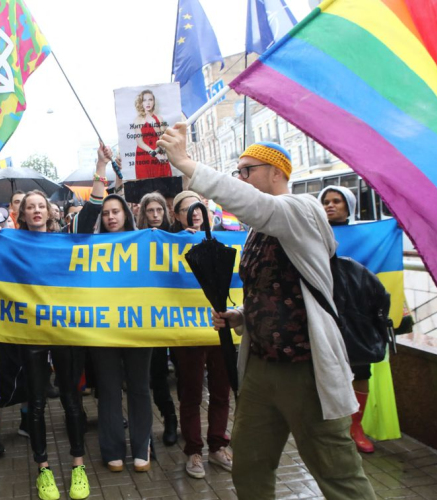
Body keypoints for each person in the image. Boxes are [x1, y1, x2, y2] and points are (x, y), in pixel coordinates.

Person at [159, 130, 376, 499]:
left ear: (277, 172)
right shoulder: (257, 230)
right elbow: (271, 288)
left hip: (307, 371)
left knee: (338, 474)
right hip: (260, 368)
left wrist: (186, 163)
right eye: (238, 171)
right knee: (250, 466)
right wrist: (241, 315)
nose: (241, 178)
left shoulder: (302, 210)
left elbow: (257, 206)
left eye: (247, 170)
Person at [75, 145, 153, 473]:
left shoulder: (145, 242)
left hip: (138, 327)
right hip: (103, 328)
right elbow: (88, 215)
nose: (110, 216)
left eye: (115, 211)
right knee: (108, 390)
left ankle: (142, 447)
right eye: (106, 213)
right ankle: (112, 450)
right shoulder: (89, 243)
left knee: (139, 388)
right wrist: (100, 165)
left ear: (125, 215)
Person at [16, 190, 89, 500]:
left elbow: (91, 213)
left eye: (40, 206)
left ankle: (78, 466)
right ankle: (43, 469)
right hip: (31, 331)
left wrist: (101, 171)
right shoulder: (13, 243)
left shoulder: (64, 242)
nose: (36, 211)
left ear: (49, 212)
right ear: (22, 214)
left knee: (71, 399)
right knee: (36, 403)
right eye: (30, 207)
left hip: (63, 329)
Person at [170, 190, 233, 478]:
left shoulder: (225, 238)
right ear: (177, 215)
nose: (195, 212)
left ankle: (218, 445)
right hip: (188, 330)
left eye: (199, 207)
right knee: (191, 392)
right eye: (187, 208)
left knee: (221, 390)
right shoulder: (168, 245)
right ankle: (194, 451)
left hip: (219, 326)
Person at [319, 185, 375, 453]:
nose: (330, 205)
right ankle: (333, 428)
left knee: (361, 370)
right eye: (326, 201)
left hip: (358, 317)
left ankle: (356, 427)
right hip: (324, 313)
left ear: (349, 206)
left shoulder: (366, 236)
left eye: (337, 201)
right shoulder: (315, 235)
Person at [135, 193, 178, 447]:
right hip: (149, 318)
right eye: (150, 210)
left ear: (165, 212)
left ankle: (181, 422)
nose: (154, 215)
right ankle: (165, 420)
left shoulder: (177, 237)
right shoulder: (135, 239)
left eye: (158, 210)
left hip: (175, 315)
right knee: (156, 374)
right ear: (143, 213)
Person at [133, 90, 170, 179]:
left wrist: (154, 124)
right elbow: (140, 143)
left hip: (159, 151)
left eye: (150, 99)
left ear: (153, 102)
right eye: (144, 100)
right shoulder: (137, 120)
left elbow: (162, 138)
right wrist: (155, 154)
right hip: (144, 155)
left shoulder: (159, 118)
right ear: (141, 103)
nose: (148, 103)